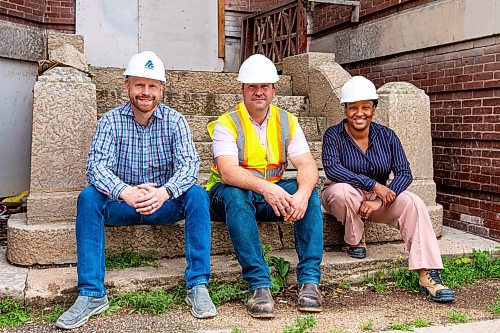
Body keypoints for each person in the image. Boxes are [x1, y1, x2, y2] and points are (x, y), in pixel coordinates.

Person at [56, 51, 216, 329]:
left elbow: (190, 166)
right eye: (139, 85)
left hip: (163, 204)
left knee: (198, 195)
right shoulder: (110, 121)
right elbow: (96, 167)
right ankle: (92, 293)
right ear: (126, 86)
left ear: (161, 89)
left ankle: (198, 284)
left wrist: (164, 192)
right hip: (123, 205)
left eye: (152, 86)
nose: (146, 92)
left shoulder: (176, 121)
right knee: (89, 197)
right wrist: (125, 192)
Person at [206, 54, 324, 318]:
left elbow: (307, 165)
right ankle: (259, 284)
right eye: (252, 87)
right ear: (243, 90)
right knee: (237, 194)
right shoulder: (227, 123)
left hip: (271, 195)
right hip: (225, 198)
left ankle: (310, 282)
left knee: (309, 191)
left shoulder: (287, 121)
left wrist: (302, 194)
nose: (258, 92)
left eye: (264, 86)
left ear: (274, 90)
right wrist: (268, 189)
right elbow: (227, 172)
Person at [321, 76, 455, 303]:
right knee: (343, 191)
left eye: (365, 107)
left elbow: (404, 173)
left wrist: (380, 200)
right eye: (353, 107)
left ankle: (428, 273)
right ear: (345, 109)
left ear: (374, 108)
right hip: (341, 194)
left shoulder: (387, 136)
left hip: (377, 199)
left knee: (413, 202)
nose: (359, 113)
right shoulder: (333, 135)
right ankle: (355, 239)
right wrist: (374, 185)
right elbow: (333, 169)